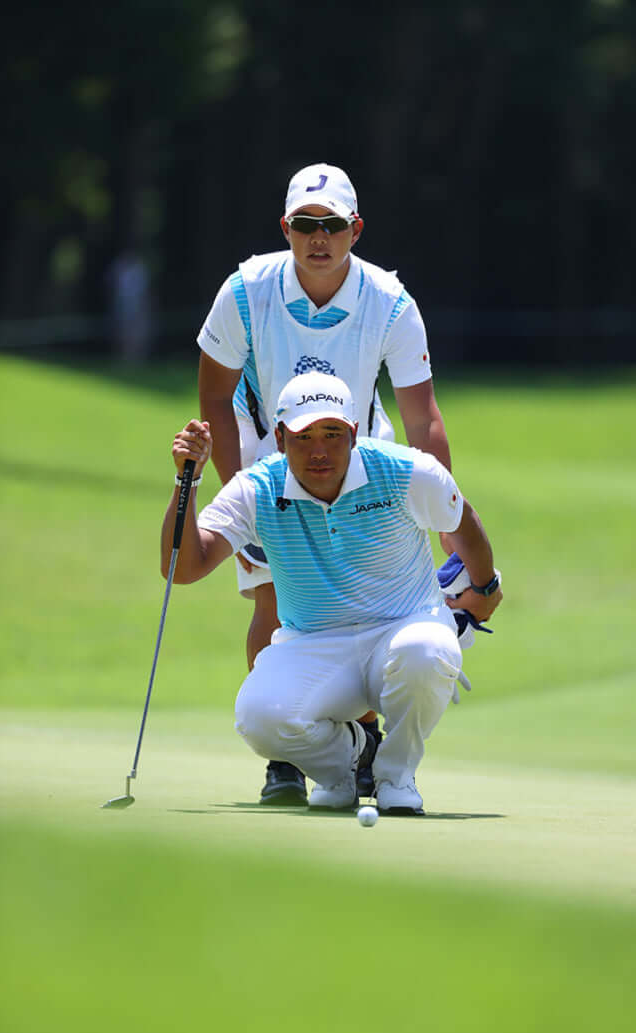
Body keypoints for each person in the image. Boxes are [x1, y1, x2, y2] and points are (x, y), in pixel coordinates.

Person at [196, 162, 453, 805]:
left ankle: (364, 743)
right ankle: (287, 758)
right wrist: (245, 502)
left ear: (355, 229)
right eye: (305, 224)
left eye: (332, 225)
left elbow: (422, 417)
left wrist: (448, 534)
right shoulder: (244, 291)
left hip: (359, 461)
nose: (319, 237)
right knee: (270, 601)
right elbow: (216, 399)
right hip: (266, 454)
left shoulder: (390, 300)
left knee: (359, 606)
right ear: (285, 227)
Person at [162, 373, 502, 816]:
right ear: (280, 439)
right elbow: (183, 568)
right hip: (314, 644)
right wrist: (186, 481)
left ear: (354, 433)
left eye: (332, 433)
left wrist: (484, 587)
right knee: (258, 716)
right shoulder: (257, 488)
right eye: (303, 437)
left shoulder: (406, 470)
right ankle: (347, 764)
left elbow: (463, 521)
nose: (319, 450)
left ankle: (396, 776)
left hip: (403, 627)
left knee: (426, 650)